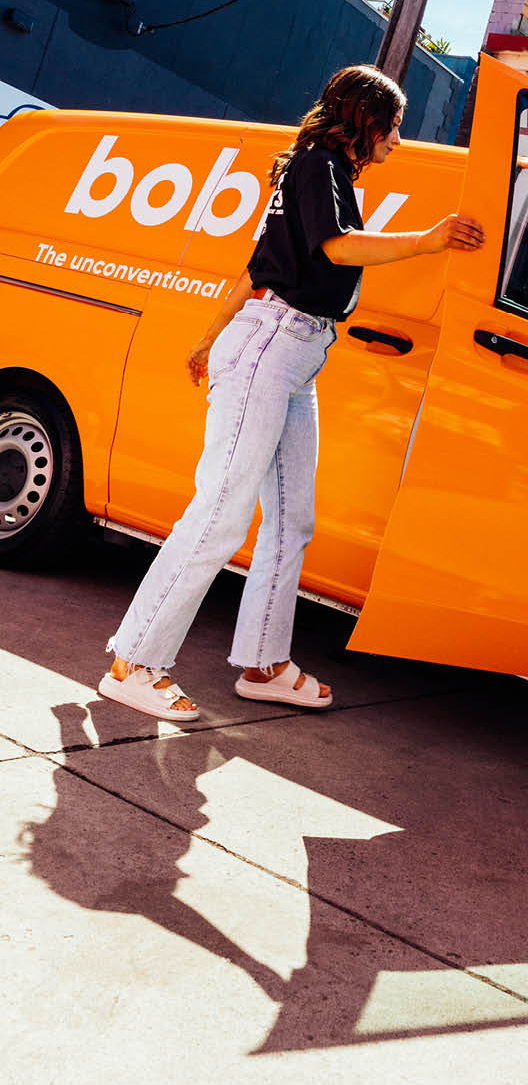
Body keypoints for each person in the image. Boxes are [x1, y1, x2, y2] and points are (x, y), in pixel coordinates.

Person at [99, 64, 484, 722]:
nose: (398, 140)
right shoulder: (319, 168)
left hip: (292, 353)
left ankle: (264, 662)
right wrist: (429, 240)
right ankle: (133, 661)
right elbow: (334, 251)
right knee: (222, 507)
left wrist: (207, 337)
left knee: (292, 516)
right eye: (394, 125)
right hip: (272, 346)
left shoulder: (314, 174)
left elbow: (257, 264)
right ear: (366, 121)